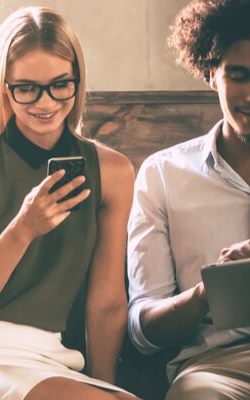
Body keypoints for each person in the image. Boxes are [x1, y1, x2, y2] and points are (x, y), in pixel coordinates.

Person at [0, 7, 137, 400]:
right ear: (3, 87)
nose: (45, 102)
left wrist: (107, 387)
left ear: (77, 82)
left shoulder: (114, 172)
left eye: (60, 84)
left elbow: (108, 302)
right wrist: (22, 228)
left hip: (55, 359)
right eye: (26, 87)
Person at [127, 1, 250, 398]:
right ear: (211, 74)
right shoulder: (164, 175)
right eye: (239, 75)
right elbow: (143, 330)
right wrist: (209, 291)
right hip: (216, 370)